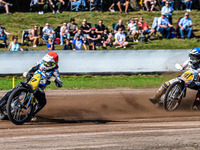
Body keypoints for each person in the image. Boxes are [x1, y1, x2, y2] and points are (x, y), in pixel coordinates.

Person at [0, 52, 63, 120]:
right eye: (45, 61)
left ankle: (31, 114)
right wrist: (28, 73)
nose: (46, 63)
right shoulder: (41, 62)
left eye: (48, 63)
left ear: (54, 63)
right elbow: (32, 68)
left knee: (42, 102)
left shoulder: (55, 71)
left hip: (39, 88)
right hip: (30, 81)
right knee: (12, 91)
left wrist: (56, 80)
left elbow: (60, 83)